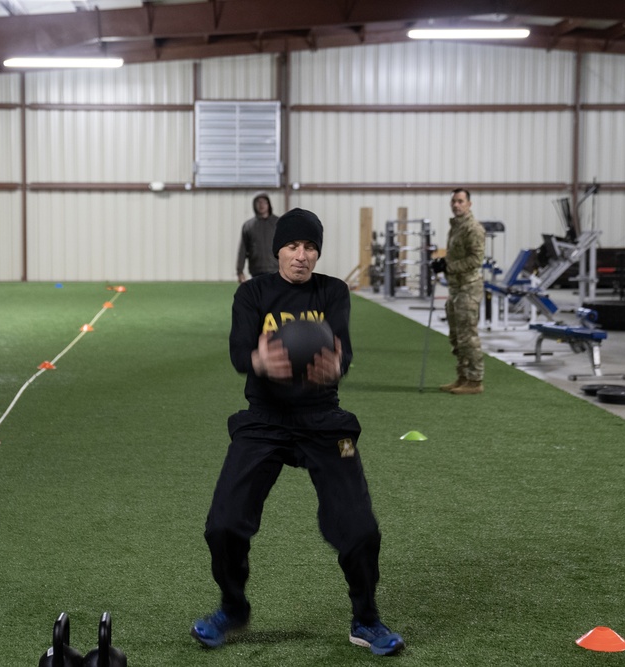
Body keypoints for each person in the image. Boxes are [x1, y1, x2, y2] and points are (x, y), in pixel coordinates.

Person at [192, 208, 405, 657]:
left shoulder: (332, 291)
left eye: (310, 248)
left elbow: (342, 348)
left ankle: (366, 619)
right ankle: (232, 607)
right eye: (293, 246)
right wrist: (258, 362)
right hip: (264, 419)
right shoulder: (253, 293)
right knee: (223, 524)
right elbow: (238, 351)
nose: (302, 256)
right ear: (278, 251)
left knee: (360, 528)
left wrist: (337, 365)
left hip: (325, 420)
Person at [431, 188, 485, 394]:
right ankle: (463, 376)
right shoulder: (455, 227)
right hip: (455, 288)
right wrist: (442, 262)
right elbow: (457, 256)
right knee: (456, 336)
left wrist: (448, 267)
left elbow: (475, 260)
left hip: (469, 289)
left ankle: (475, 380)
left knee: (468, 336)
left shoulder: (474, 229)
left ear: (469, 204)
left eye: (461, 201)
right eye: (454, 201)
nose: (456, 205)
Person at [235, 192, 279, 283]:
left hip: (276, 270)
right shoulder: (248, 226)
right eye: (258, 202)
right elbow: (242, 250)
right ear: (254, 205)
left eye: (264, 202)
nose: (261, 205)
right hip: (256, 270)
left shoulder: (278, 223)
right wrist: (240, 271)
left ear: (268, 204)